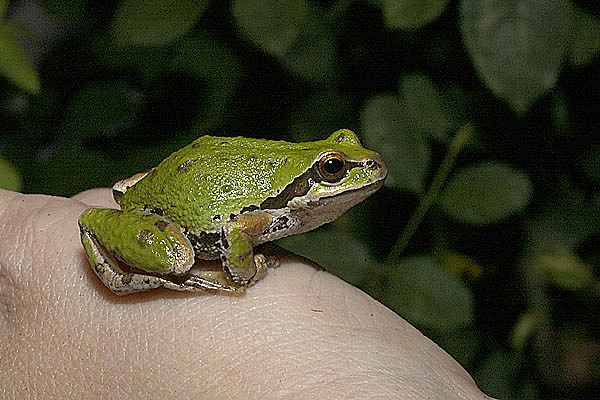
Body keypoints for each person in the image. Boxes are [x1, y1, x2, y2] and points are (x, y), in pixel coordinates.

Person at [0, 188, 494, 399]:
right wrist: (244, 272)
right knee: (178, 259)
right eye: (331, 171)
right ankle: (146, 275)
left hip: (166, 189)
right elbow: (238, 233)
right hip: (174, 221)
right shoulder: (270, 208)